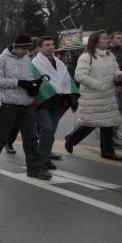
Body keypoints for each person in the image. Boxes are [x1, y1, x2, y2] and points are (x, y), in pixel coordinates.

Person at [0, 35, 51, 179]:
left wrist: (33, 84)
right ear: (17, 47)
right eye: (25, 49)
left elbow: (29, 78)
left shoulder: (26, 59)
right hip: (8, 104)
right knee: (2, 135)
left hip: (26, 104)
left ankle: (35, 169)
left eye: (28, 49)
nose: (27, 52)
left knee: (31, 137)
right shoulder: (0, 60)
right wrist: (19, 83)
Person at [64, 30, 122, 160]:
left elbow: (115, 69)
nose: (107, 40)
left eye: (106, 38)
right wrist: (98, 85)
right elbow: (79, 75)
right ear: (96, 41)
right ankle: (71, 139)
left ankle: (108, 151)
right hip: (93, 97)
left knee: (108, 123)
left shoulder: (110, 55)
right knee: (90, 123)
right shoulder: (86, 57)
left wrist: (118, 74)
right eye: (104, 38)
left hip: (108, 95)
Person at [32, 36, 79, 169]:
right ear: (39, 48)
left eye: (52, 44)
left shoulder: (59, 62)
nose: (50, 47)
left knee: (50, 131)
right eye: (46, 45)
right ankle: (41, 161)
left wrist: (72, 96)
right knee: (46, 129)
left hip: (57, 101)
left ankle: (45, 158)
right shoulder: (35, 63)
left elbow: (66, 80)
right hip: (42, 102)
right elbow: (38, 82)